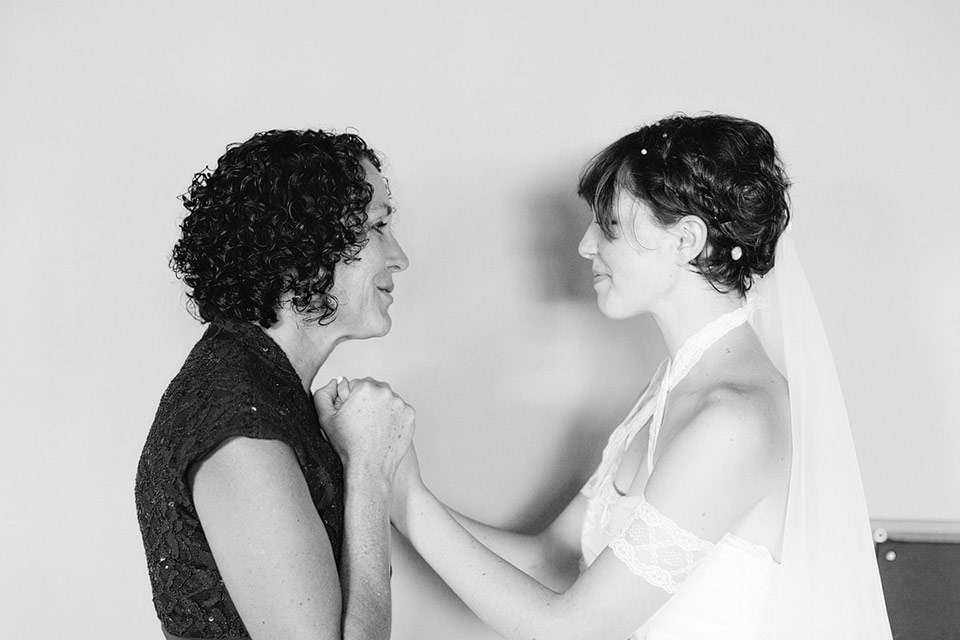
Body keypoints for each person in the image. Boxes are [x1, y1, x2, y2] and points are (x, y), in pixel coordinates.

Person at [390, 114, 893, 639]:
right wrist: (394, 490)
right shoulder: (668, 389)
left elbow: (574, 629)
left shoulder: (733, 420)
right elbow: (552, 561)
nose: (586, 245)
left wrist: (406, 498)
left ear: (686, 240)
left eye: (608, 225)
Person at [135, 128, 413, 640]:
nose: (399, 256)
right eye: (377, 227)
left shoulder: (259, 387)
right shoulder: (240, 428)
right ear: (301, 248)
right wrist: (371, 470)